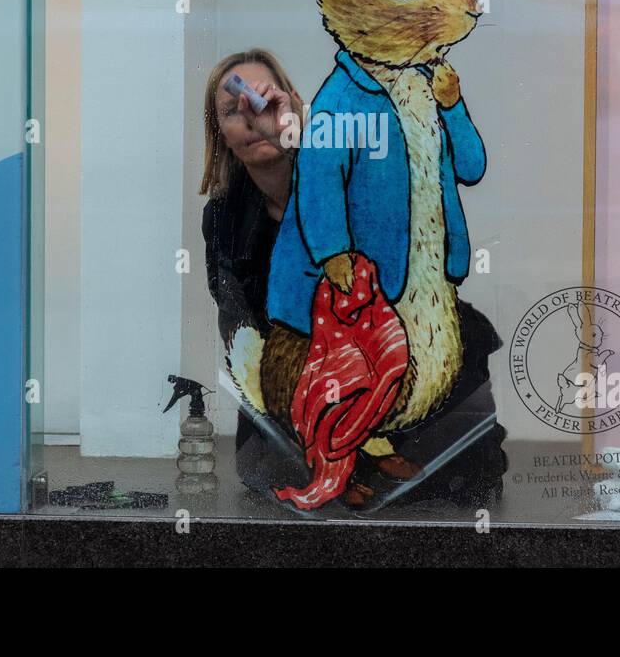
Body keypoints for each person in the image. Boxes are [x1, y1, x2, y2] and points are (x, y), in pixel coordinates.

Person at [200, 49, 506, 508]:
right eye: (232, 110)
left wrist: (291, 136)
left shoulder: (355, 162)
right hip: (300, 408)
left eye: (263, 100)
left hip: (403, 381)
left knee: (451, 482)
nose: (251, 116)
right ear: (219, 134)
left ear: (296, 105)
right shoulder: (223, 217)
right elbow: (239, 320)